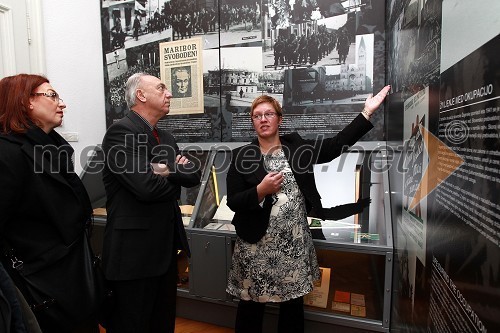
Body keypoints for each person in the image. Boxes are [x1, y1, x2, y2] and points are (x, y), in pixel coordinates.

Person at [226, 85, 391, 333]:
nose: (263, 119)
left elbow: (336, 145)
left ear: (279, 119)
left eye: (268, 113)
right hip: (256, 247)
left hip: (293, 246)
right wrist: (260, 190)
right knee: (251, 306)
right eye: (257, 115)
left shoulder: (297, 148)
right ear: (252, 122)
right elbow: (234, 201)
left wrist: (366, 112)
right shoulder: (241, 155)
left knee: (292, 307)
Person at [101, 72, 201, 333]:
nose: (169, 94)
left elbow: (194, 174)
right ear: (141, 95)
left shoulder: (165, 137)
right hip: (134, 256)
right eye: (161, 88)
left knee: (162, 323)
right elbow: (145, 188)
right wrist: (171, 171)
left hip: (165, 252)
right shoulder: (121, 132)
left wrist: (164, 169)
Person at [0, 74, 101, 332]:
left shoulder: (55, 147)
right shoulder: (8, 152)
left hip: (73, 272)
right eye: (52, 95)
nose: (62, 103)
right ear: (25, 102)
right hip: (40, 280)